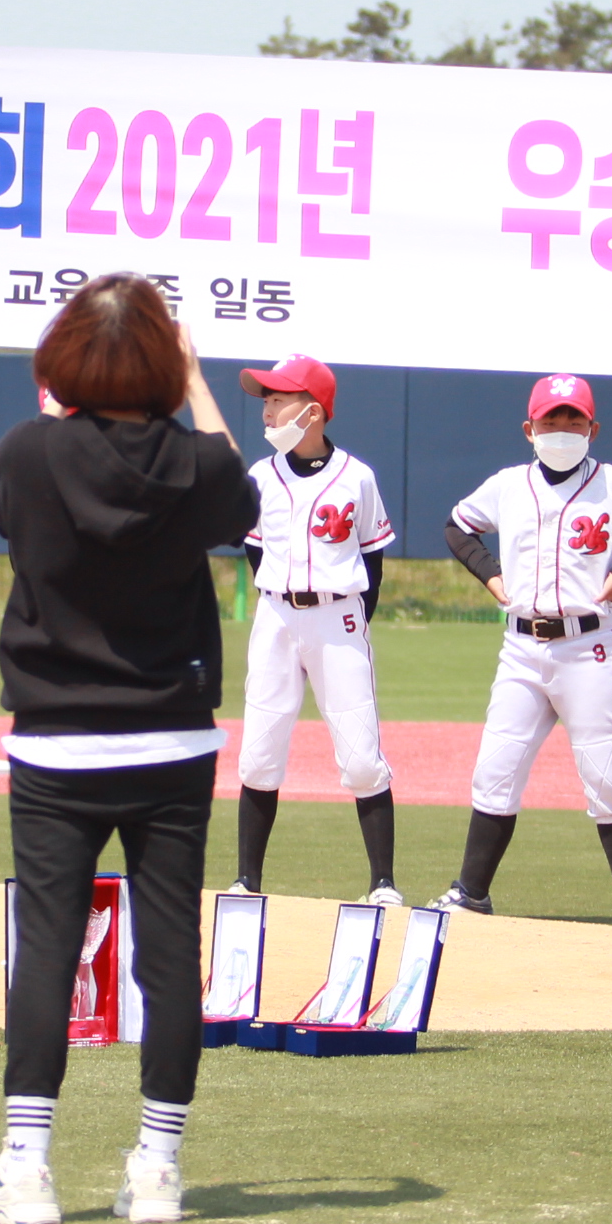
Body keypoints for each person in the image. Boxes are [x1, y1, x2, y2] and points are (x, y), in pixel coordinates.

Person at [0, 276, 256, 1224]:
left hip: (59, 741)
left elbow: (22, 501)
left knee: (46, 948)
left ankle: (27, 1167)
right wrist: (193, 380)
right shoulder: (196, 464)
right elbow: (239, 491)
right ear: (166, 362)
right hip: (173, 737)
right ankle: (158, 1168)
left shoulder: (27, 451)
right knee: (169, 952)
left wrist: (74, 399)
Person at [441, 375, 612, 928]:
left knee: (606, 773)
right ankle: (471, 892)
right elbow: (458, 527)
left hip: (588, 646)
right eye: (551, 420)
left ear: (592, 428)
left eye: (573, 420)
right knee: (496, 768)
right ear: (528, 428)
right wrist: (489, 575)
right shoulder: (508, 485)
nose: (562, 429)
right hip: (521, 647)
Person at [228, 353, 400, 902]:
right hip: (276, 614)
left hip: (338, 616)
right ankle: (247, 880)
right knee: (259, 752)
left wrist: (348, 618)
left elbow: (372, 560)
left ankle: (382, 883)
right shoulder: (261, 476)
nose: (268, 409)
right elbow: (255, 550)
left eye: (279, 399)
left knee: (361, 756)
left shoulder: (357, 476)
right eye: (266, 399)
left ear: (314, 411)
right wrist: (282, 597)